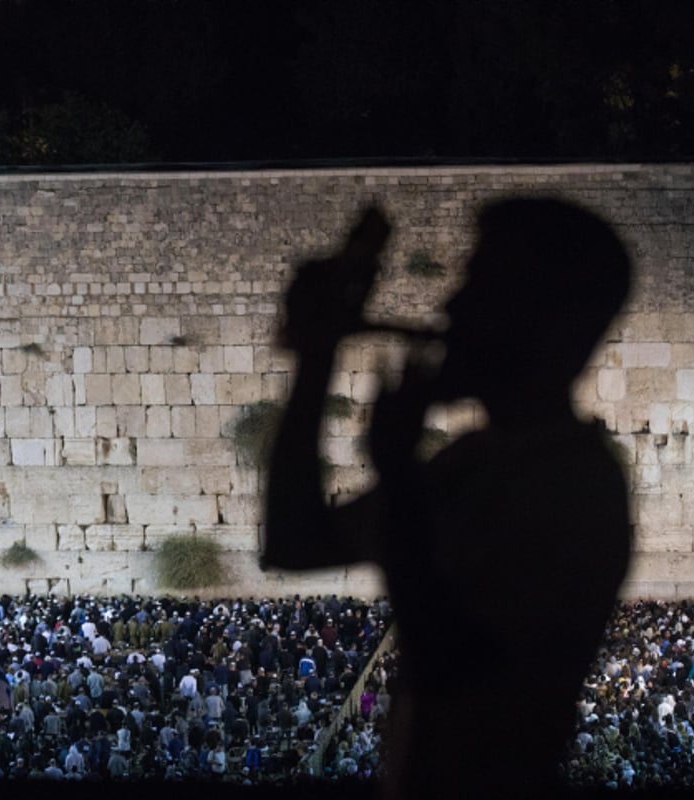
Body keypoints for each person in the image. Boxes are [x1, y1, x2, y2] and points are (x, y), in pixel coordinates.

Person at [263, 198, 634, 799]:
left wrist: (399, 472)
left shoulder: (575, 485)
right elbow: (294, 541)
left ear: (547, 326)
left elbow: (458, 667)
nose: (449, 305)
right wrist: (315, 359)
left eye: (482, 289)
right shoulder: (476, 461)